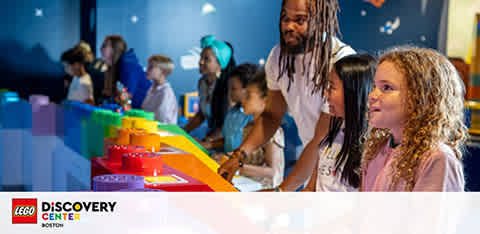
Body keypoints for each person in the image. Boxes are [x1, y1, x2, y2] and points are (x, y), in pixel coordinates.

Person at [218, 0, 356, 192]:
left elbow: (322, 137)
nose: (289, 26)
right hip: (314, 161)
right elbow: (272, 116)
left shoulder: (339, 60)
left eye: (300, 20)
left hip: (340, 171)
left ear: (322, 22)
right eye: (285, 18)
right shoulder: (278, 57)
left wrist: (282, 191)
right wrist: (238, 156)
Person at [362, 47, 467, 191]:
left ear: (419, 98)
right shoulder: (377, 151)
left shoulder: (436, 159)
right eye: (374, 86)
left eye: (386, 87)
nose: (372, 95)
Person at [301, 54, 376, 191]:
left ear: (352, 92)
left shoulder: (372, 145)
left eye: (331, 87)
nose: (325, 93)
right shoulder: (330, 133)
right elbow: (311, 188)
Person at [183, 35, 236, 140]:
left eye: (206, 59)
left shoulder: (229, 87)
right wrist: (183, 132)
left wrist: (208, 141)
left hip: (227, 143)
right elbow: (202, 114)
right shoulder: (202, 83)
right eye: (201, 57)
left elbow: (229, 125)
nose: (200, 62)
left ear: (220, 64)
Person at [201, 63, 257, 153]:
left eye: (233, 89)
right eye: (229, 88)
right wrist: (207, 144)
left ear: (249, 90)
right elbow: (227, 140)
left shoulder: (255, 117)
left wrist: (229, 159)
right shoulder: (232, 112)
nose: (229, 92)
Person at [100, 35, 151, 108]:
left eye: (105, 46)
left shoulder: (127, 64)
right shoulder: (116, 66)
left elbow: (126, 97)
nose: (101, 49)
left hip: (144, 112)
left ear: (115, 48)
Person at [141, 55, 178, 124]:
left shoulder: (166, 93)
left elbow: (161, 120)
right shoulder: (151, 89)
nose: (147, 70)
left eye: (151, 67)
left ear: (163, 72)